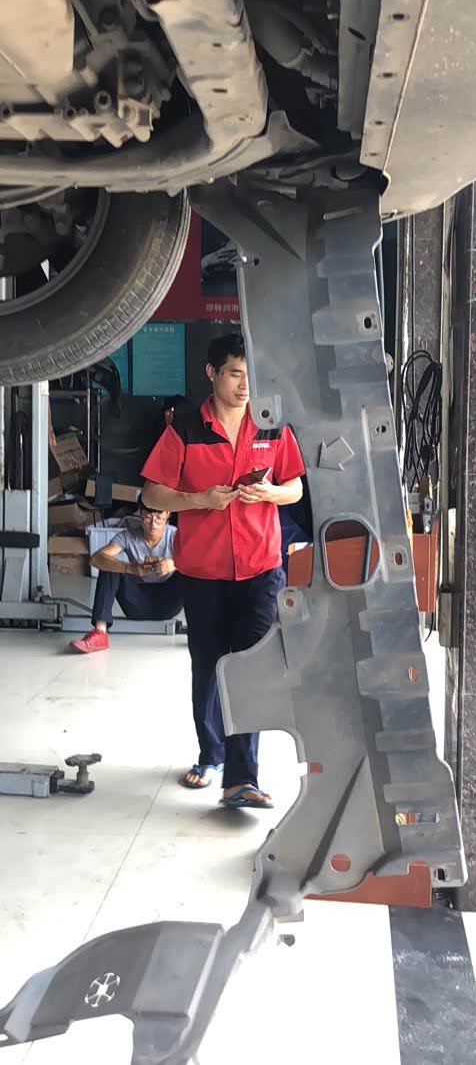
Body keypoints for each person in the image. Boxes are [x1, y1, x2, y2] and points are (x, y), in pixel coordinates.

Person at [140, 332, 305, 808]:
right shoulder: (185, 428)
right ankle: (211, 753)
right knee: (209, 665)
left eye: (251, 375)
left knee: (249, 666)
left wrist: (271, 493)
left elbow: (295, 487)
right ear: (211, 373)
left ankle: (242, 779)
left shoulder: (271, 423)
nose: (245, 385)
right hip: (204, 572)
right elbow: (151, 493)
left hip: (260, 567)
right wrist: (199, 500)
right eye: (235, 374)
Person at [69, 497, 182, 653]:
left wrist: (174, 564)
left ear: (168, 514)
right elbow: (95, 559)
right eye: (148, 517)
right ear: (140, 513)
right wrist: (129, 568)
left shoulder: (175, 536)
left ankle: (200, 631)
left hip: (169, 603)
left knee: (191, 572)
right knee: (108, 564)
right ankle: (100, 633)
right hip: (136, 603)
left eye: (159, 517)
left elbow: (201, 562)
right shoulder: (128, 536)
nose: (153, 523)